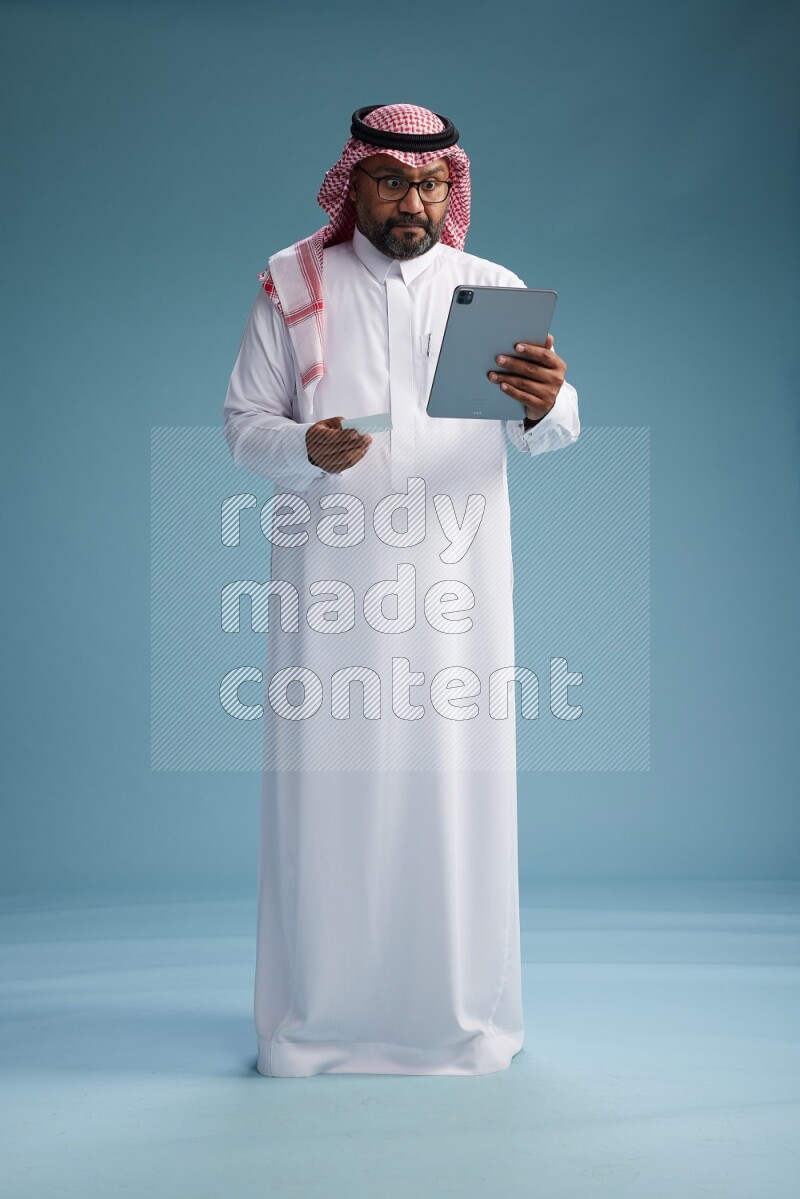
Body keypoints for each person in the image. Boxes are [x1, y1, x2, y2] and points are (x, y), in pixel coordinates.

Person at [222, 103, 580, 1078]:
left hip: (458, 593)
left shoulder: (490, 288)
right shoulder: (294, 281)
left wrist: (548, 403)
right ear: (355, 184)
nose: (412, 202)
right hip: (329, 591)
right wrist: (303, 444)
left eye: (429, 184)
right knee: (326, 796)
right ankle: (314, 1024)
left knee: (454, 794)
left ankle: (456, 1023)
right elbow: (244, 423)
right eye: (391, 182)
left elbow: (553, 425)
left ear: (449, 187)